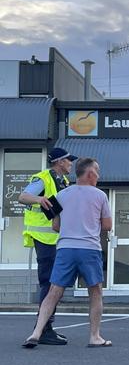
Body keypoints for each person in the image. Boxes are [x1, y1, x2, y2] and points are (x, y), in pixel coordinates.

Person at [22, 158, 113, 349]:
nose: (99, 175)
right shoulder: (100, 196)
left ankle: (36, 332)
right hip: (89, 249)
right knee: (95, 291)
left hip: (65, 249)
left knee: (54, 291)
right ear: (90, 174)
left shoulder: (61, 195)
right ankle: (94, 337)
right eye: (97, 171)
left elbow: (55, 226)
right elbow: (107, 225)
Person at [18, 147, 77, 345]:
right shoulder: (43, 178)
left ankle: (45, 328)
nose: (71, 164)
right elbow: (23, 197)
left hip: (56, 239)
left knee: (54, 283)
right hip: (44, 239)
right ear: (59, 162)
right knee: (49, 283)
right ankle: (43, 330)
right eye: (69, 160)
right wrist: (39, 199)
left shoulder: (64, 181)